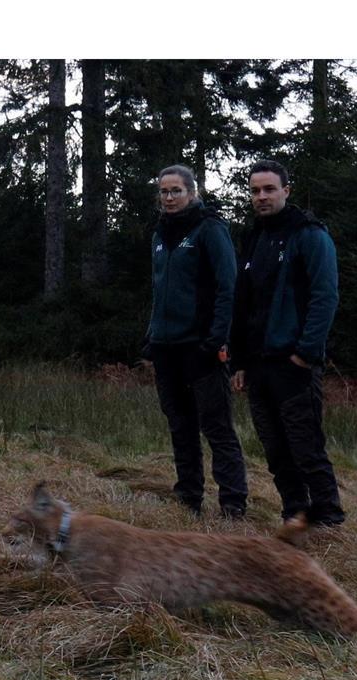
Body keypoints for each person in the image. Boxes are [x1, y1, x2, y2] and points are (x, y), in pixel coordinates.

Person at [230, 160, 343, 527]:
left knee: (305, 446)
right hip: (258, 364)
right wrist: (239, 361)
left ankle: (328, 518)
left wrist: (306, 352)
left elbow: (324, 297)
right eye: (254, 191)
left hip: (293, 363)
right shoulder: (254, 237)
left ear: (286, 191)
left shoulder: (309, 235)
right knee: (275, 450)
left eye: (268, 189)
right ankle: (295, 514)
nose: (261, 197)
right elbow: (242, 303)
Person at [144, 164, 248, 518]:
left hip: (201, 346)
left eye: (176, 191)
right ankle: (188, 498)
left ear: (192, 192)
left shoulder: (210, 229)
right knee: (180, 425)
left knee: (217, 427)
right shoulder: (160, 234)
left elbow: (227, 287)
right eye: (164, 191)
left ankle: (233, 504)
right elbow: (159, 291)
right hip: (165, 347)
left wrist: (216, 338)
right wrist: (152, 336)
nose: (169, 198)